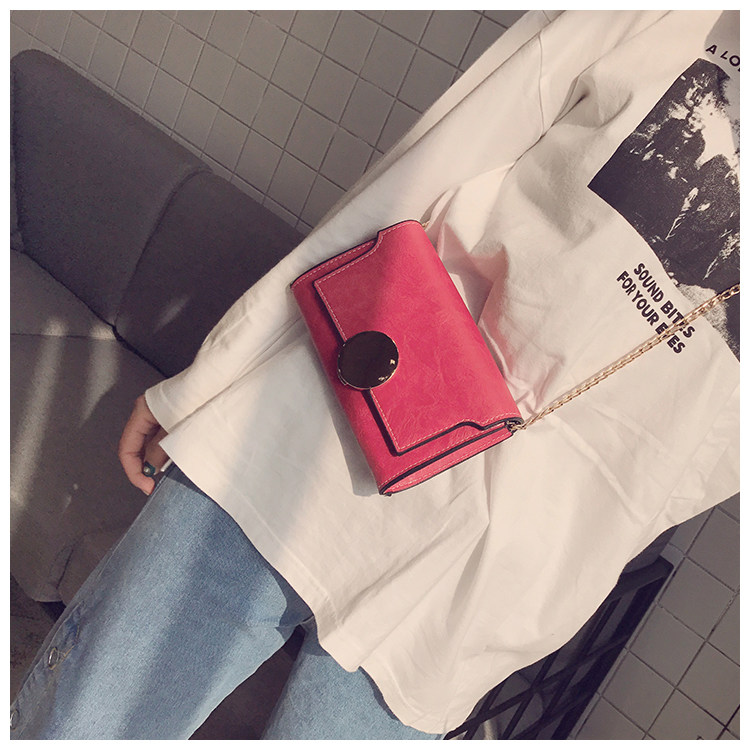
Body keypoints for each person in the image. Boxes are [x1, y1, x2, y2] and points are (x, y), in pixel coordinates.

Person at [10, 10, 739, 740]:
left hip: (490, 571)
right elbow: (434, 161)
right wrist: (219, 371)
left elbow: (700, 464)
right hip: (336, 421)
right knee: (84, 725)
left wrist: (562, 564)